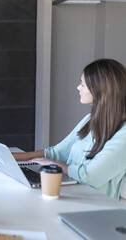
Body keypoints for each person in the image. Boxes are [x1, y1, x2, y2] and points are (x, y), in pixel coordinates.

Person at [13, 59, 126, 200]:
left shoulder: (123, 134)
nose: (78, 88)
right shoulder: (90, 120)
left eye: (83, 84)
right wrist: (15, 157)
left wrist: (54, 165)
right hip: (72, 191)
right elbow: (57, 152)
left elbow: (90, 177)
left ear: (100, 90)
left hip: (94, 203)